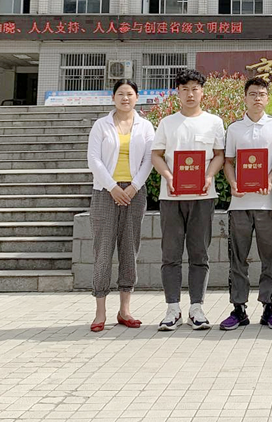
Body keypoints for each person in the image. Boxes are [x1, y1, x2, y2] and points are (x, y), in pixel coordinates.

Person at [151, 69, 225, 331]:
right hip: (171, 196)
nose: (190, 94)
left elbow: (219, 155)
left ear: (202, 92)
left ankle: (197, 308)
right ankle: (172, 308)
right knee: (170, 253)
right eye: (185, 89)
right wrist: (169, 177)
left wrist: (209, 175)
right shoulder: (167, 123)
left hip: (203, 196)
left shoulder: (214, 122)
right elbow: (156, 155)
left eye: (195, 88)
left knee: (199, 253)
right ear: (178, 93)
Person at [219, 77, 272, 331]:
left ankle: (269, 307)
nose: (257, 98)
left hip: (267, 204)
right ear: (245, 98)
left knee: (269, 256)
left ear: (268, 98)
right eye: (252, 94)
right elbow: (228, 161)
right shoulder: (234, 128)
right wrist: (233, 183)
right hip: (239, 204)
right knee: (237, 257)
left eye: (261, 94)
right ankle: (238, 308)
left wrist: (269, 179)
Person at [86, 79, 154, 332]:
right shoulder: (100, 125)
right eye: (121, 94)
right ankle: (100, 311)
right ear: (113, 97)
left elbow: (150, 159)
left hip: (135, 193)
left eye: (130, 94)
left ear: (137, 97)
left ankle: (125, 310)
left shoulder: (146, 126)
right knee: (103, 249)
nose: (125, 98)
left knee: (129, 249)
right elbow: (93, 159)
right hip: (105, 192)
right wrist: (112, 187)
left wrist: (134, 187)